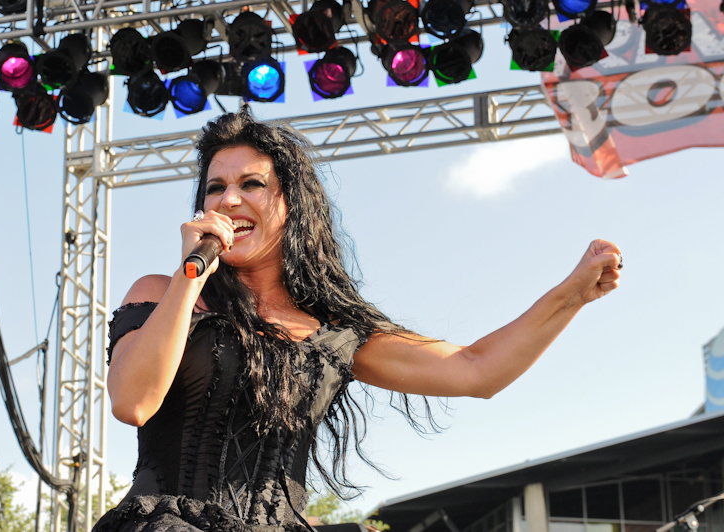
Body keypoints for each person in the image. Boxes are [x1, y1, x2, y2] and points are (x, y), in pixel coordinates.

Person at [93, 107, 622, 532]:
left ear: (291, 205)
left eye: (251, 184)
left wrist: (571, 295)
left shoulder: (331, 336)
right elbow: (132, 401)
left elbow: (476, 368)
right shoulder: (163, 295)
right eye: (214, 188)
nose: (229, 199)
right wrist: (192, 273)